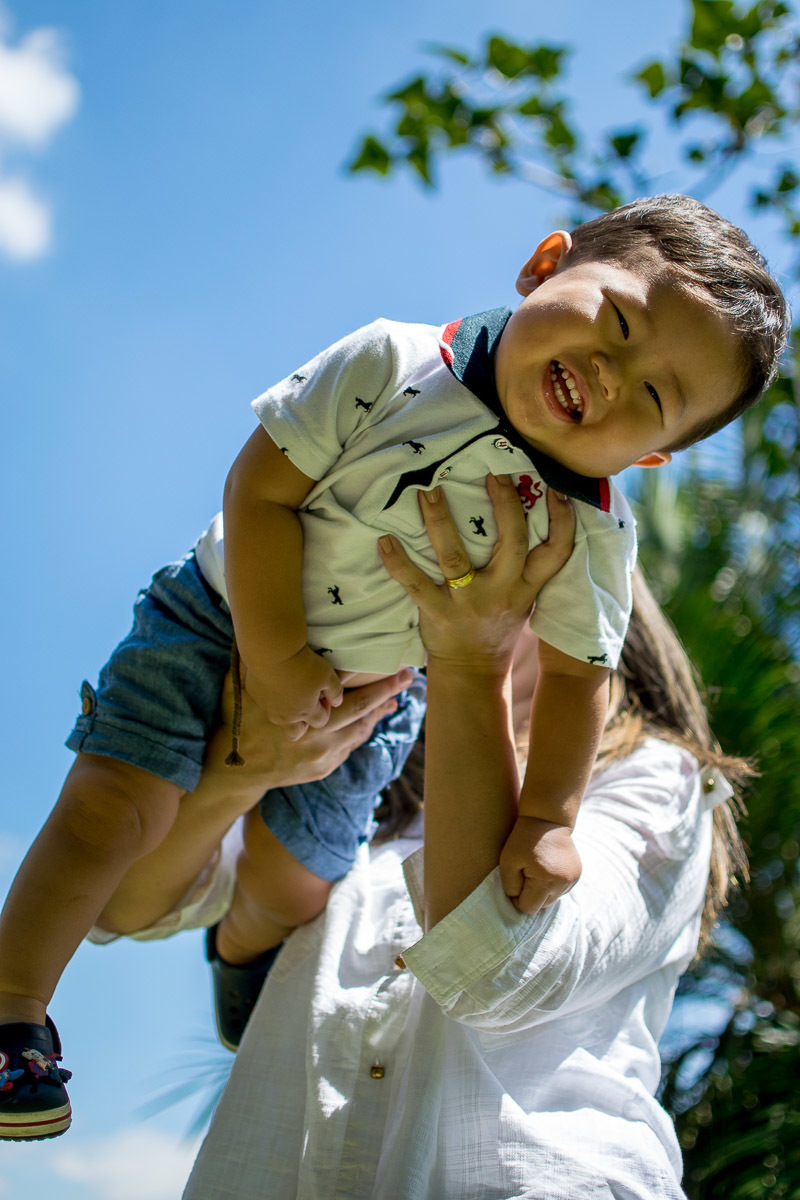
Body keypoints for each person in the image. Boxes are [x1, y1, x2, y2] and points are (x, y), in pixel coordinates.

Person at [0, 193, 783, 1139]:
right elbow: (260, 487)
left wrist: (545, 818)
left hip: (376, 693)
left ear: (654, 455)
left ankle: (247, 969)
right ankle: (14, 1010)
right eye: (617, 324)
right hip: (220, 615)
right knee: (111, 811)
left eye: (653, 395)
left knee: (296, 884)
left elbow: (582, 677)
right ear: (543, 265)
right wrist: (274, 666)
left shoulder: (585, 535)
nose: (612, 376)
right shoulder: (399, 363)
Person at [181, 481, 750, 1200]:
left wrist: (470, 664)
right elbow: (137, 906)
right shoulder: (360, 781)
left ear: (598, 598)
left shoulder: (659, 780)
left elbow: (496, 968)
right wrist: (243, 775)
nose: (475, 574)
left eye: (519, 555)